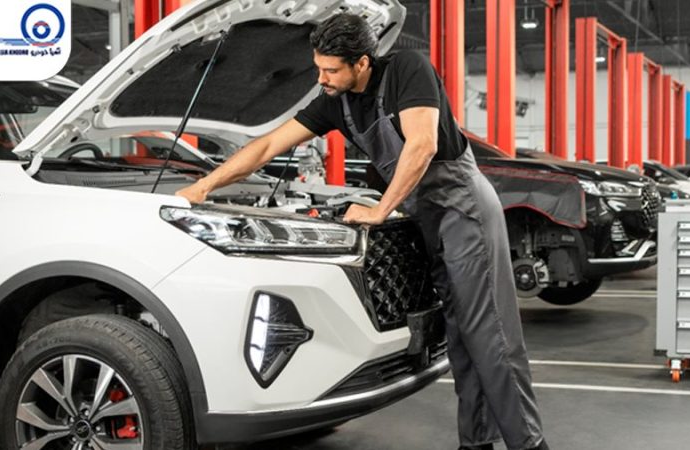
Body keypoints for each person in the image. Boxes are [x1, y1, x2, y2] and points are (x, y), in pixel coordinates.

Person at [176, 13, 548, 450]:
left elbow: (423, 144)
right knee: (461, 338)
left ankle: (530, 444)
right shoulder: (336, 101)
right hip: (428, 218)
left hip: (464, 208)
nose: (322, 78)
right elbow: (269, 145)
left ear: (363, 62)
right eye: (319, 68)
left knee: (492, 336)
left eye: (331, 69)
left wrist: (380, 210)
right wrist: (203, 187)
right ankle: (476, 442)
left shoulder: (408, 69)